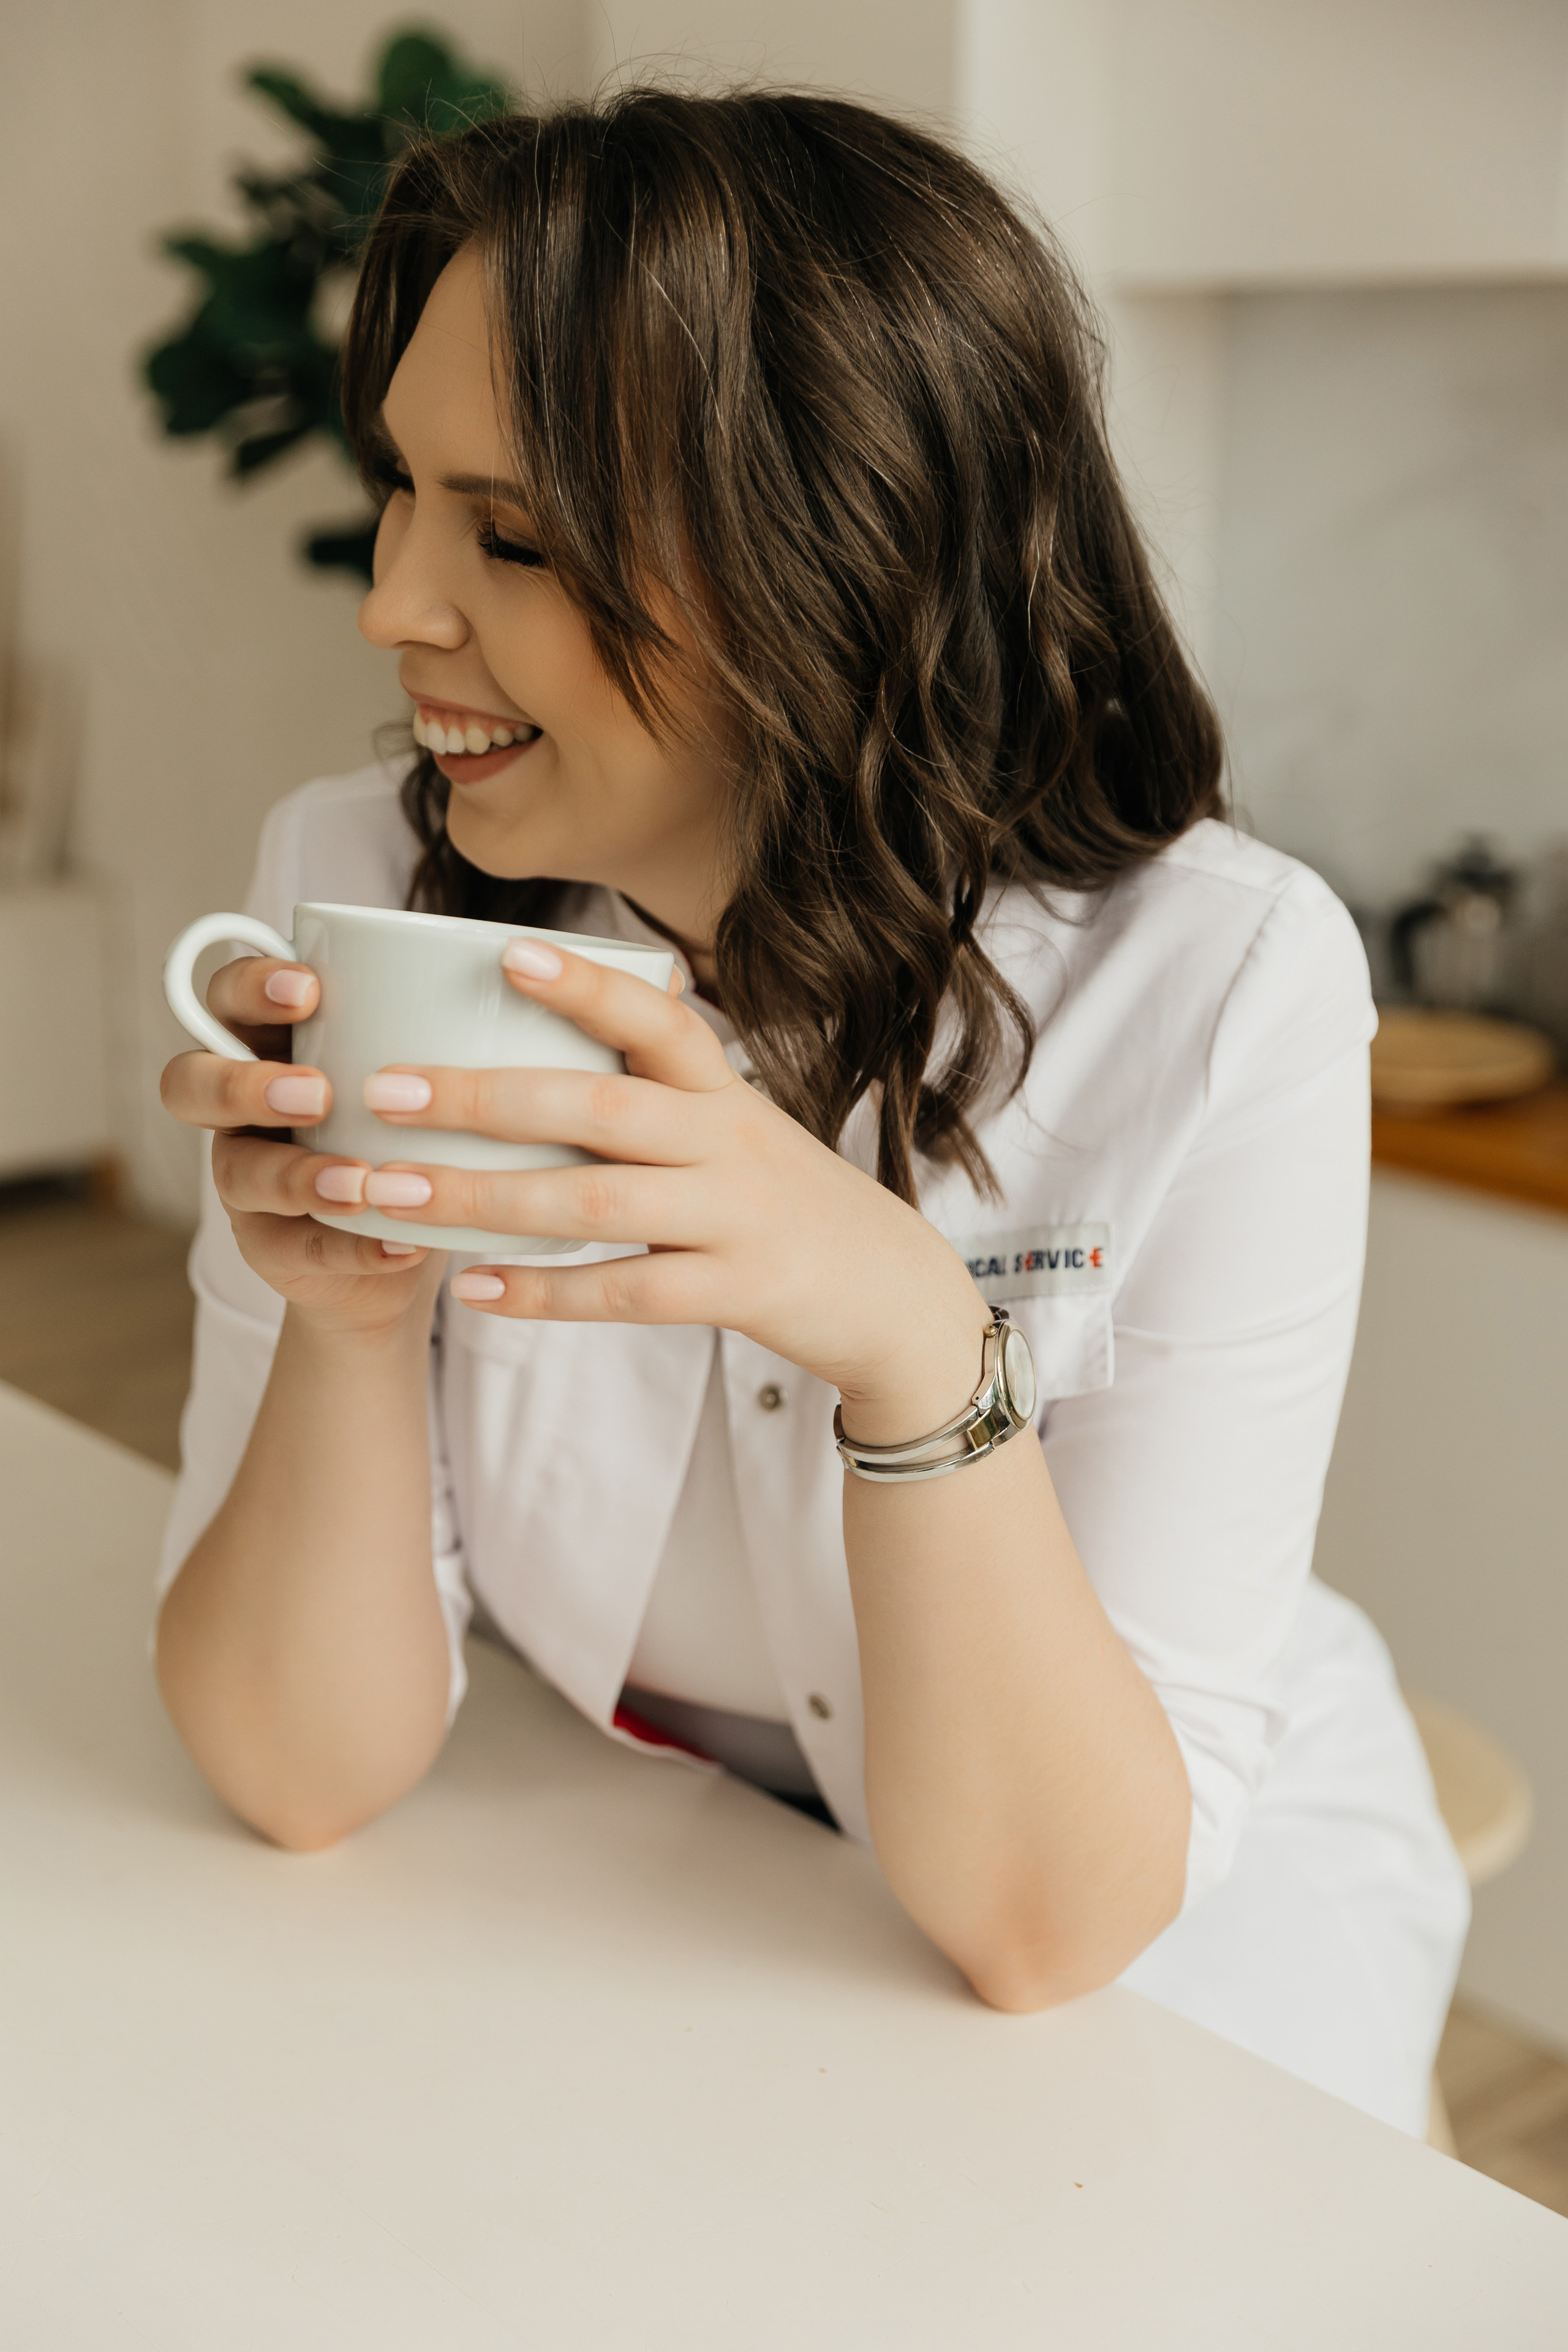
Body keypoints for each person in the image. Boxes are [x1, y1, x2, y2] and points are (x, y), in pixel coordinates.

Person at [155, 89, 1468, 2134]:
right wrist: (342, 1318)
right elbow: (289, 1769)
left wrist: (912, 1338)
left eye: (509, 534)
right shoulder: (364, 881)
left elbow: (1043, 1924)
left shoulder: (1216, 988)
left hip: (1133, 1905)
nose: (395, 605)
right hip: (625, 1853)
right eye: (401, 494)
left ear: (832, 550)